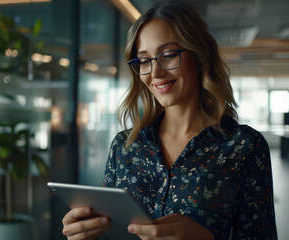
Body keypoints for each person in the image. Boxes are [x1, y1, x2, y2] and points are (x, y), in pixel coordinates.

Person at [62, 1, 277, 239]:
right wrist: (85, 234)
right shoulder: (124, 146)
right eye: (144, 60)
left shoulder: (244, 146)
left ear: (199, 56)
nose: (155, 73)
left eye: (168, 55)